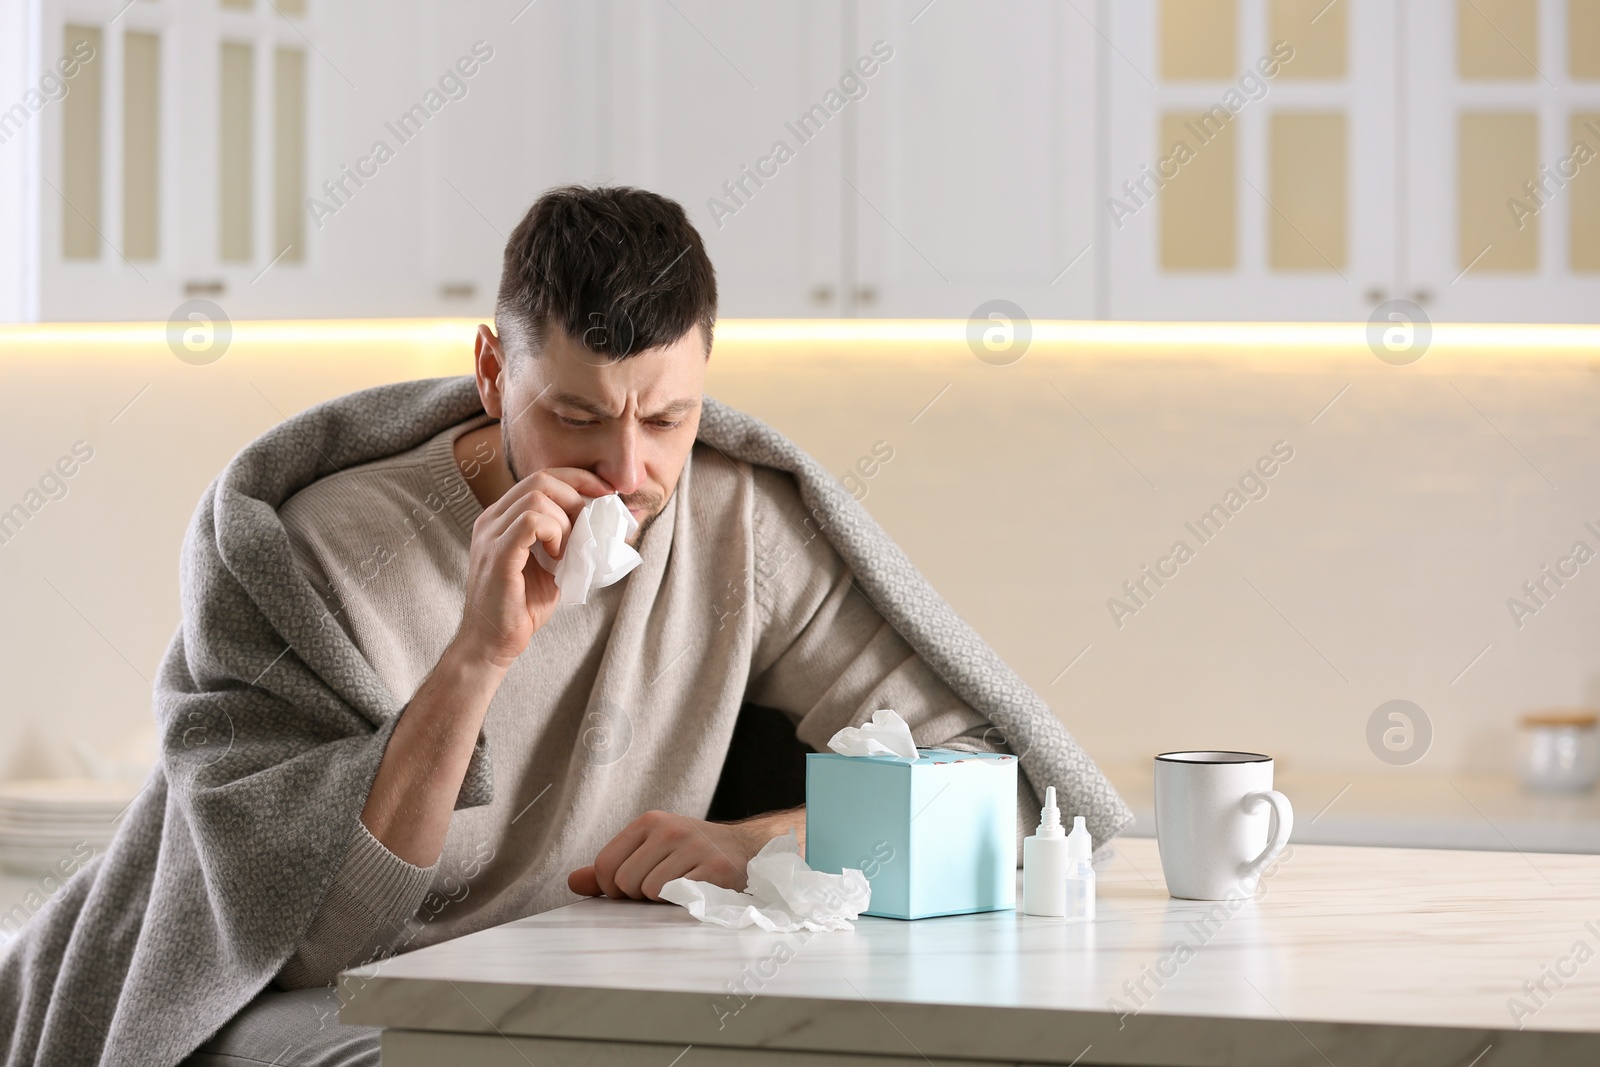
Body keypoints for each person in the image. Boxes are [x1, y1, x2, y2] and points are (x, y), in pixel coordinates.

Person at [183, 185, 1040, 1064]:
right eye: (576, 417)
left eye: (667, 418)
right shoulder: (322, 551)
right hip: (342, 1002)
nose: (628, 471)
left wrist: (759, 846)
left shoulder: (736, 521)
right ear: (491, 372)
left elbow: (992, 788)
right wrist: (478, 655)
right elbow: (319, 948)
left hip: (589, 992)